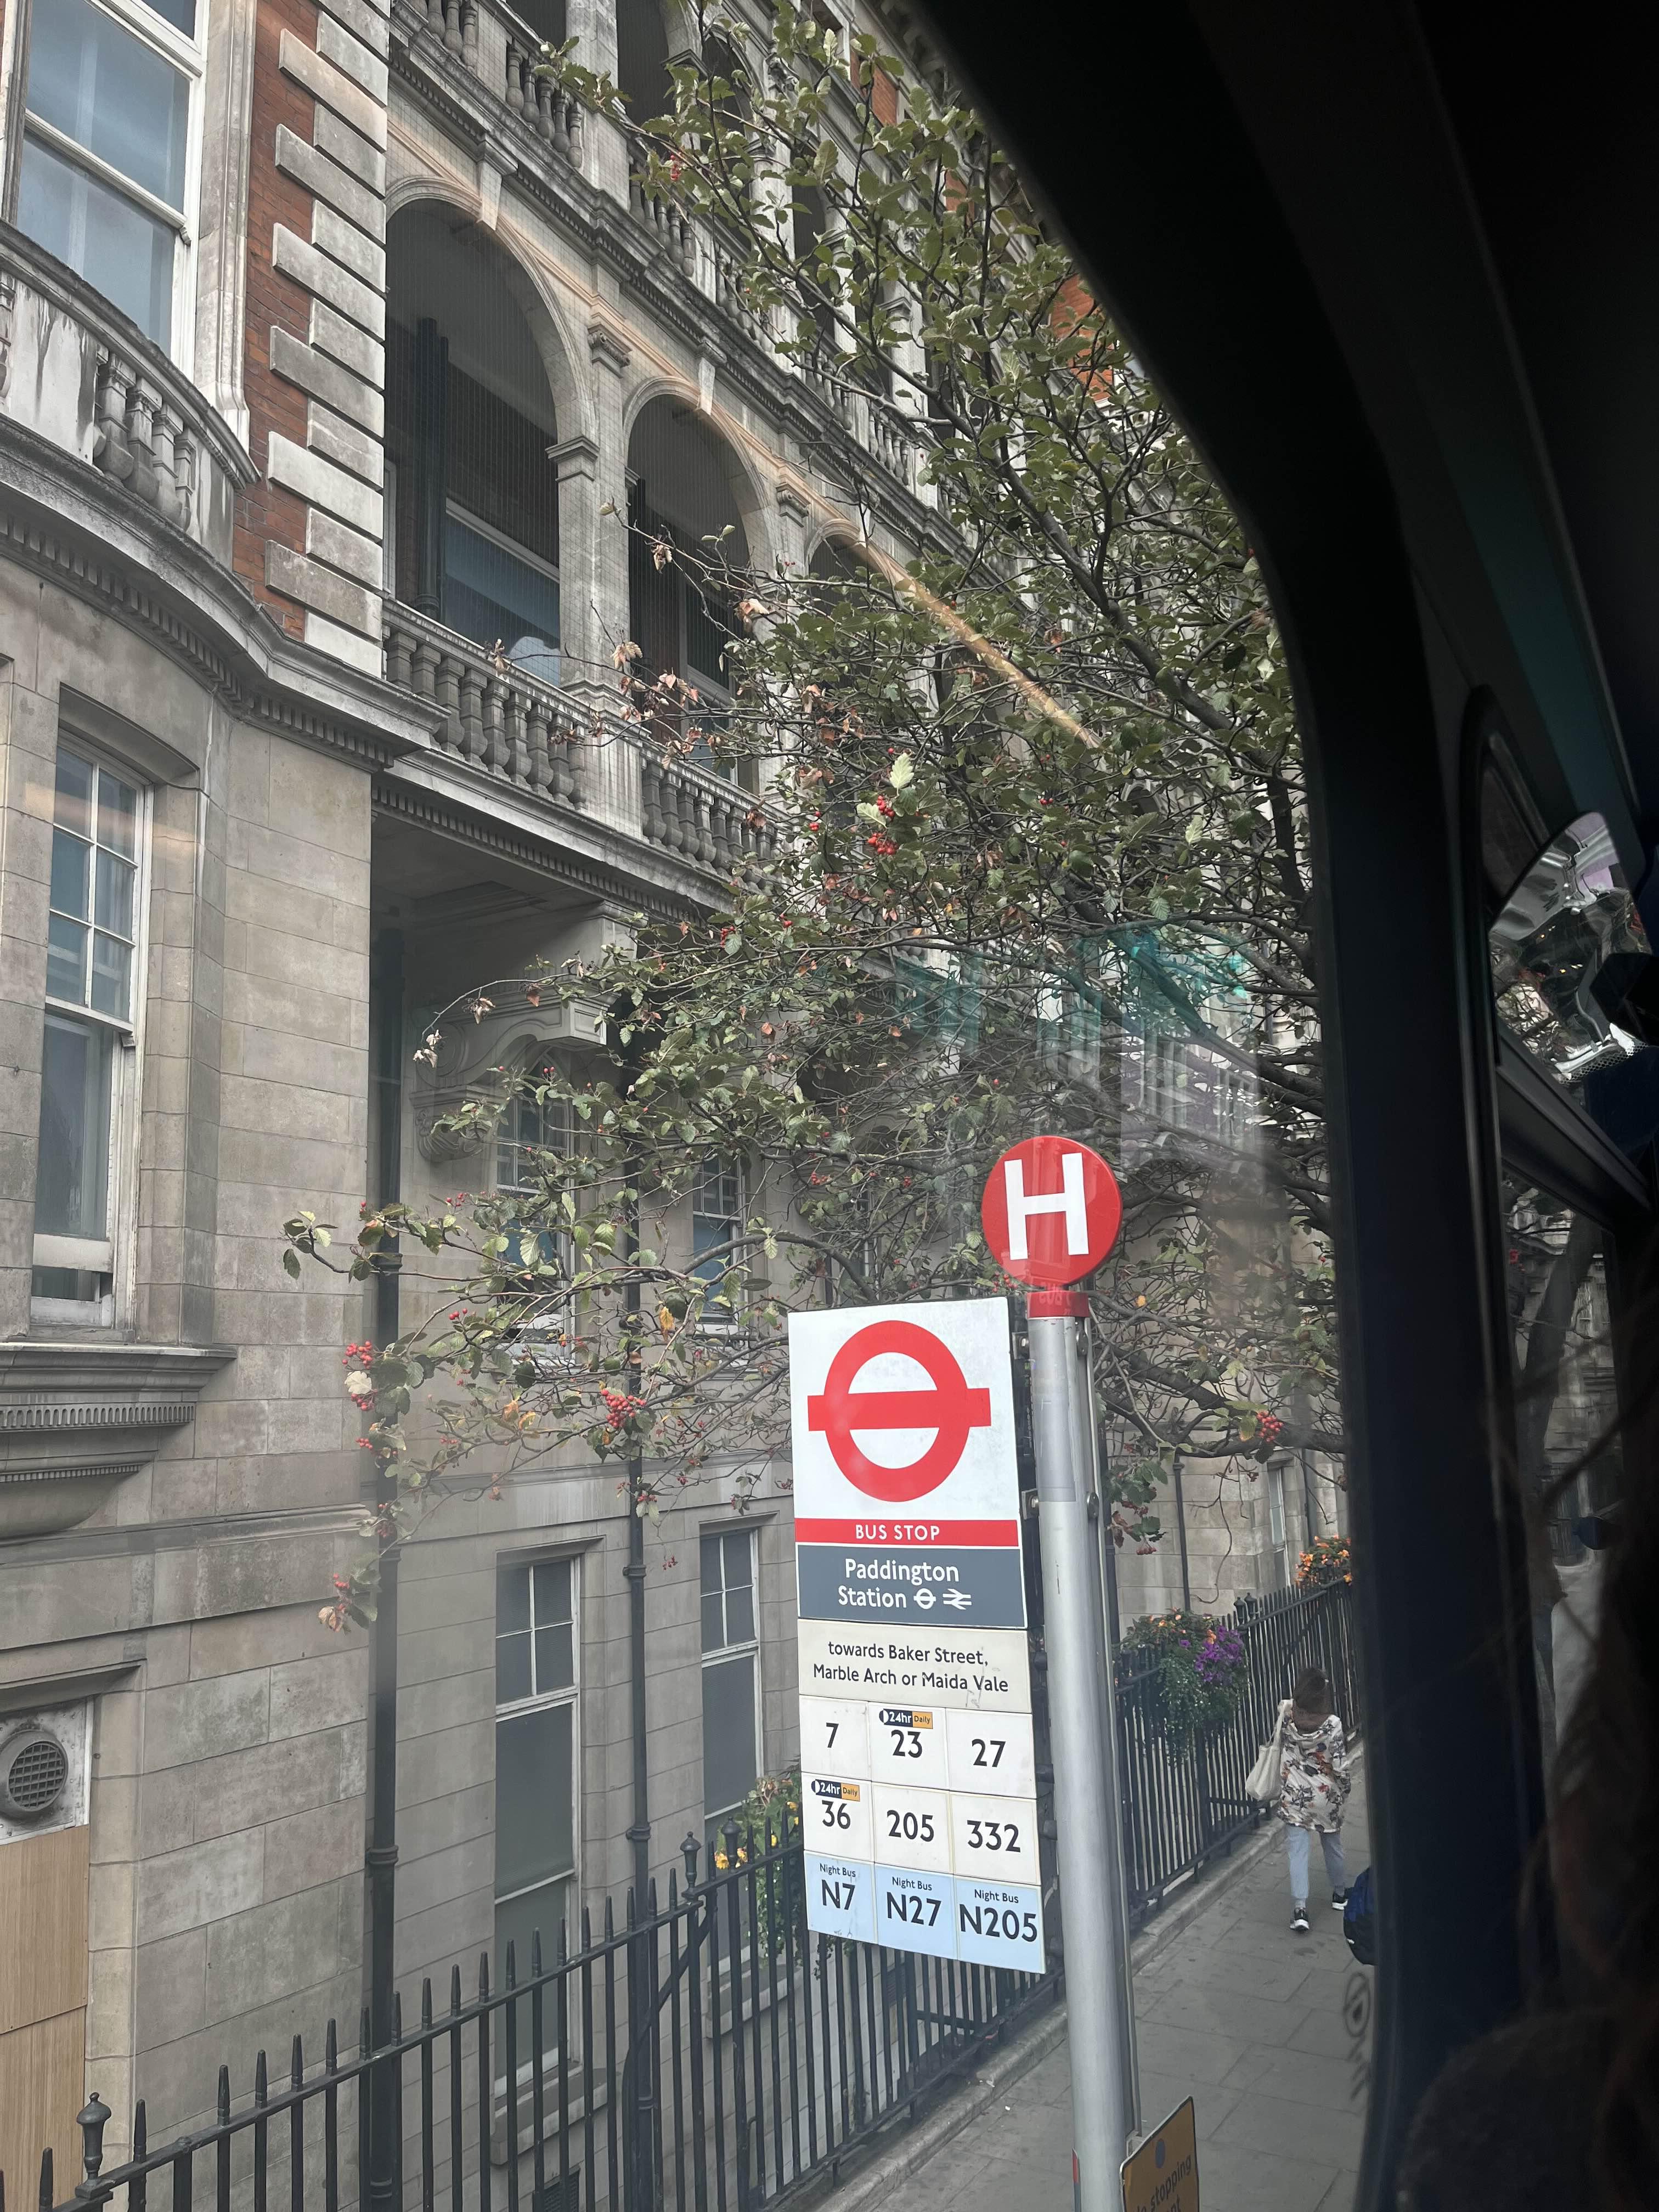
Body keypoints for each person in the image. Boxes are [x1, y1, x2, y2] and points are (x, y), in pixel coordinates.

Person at [1276, 1664, 1351, 1933]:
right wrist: (1345, 1789)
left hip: (1294, 1794)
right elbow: (1340, 1766)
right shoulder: (1332, 1725)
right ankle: (1340, 1894)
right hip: (1325, 1795)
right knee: (1332, 1844)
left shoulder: (1287, 1714)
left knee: (1297, 1851)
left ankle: (1300, 1909)